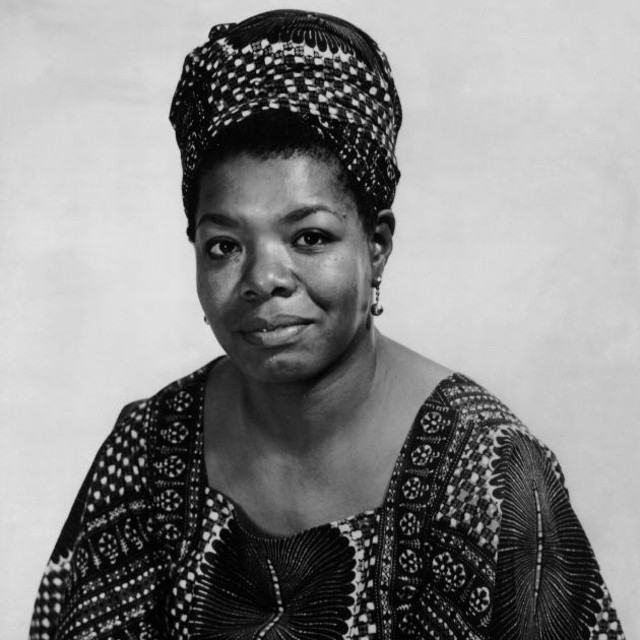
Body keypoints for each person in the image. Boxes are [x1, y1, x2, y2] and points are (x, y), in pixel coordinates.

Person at [30, 9, 625, 640]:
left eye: (309, 237)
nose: (263, 278)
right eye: (224, 246)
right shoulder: (149, 451)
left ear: (377, 245)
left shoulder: (487, 476)